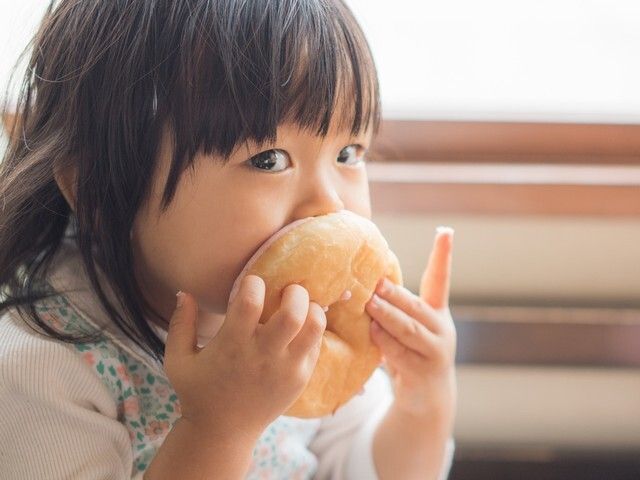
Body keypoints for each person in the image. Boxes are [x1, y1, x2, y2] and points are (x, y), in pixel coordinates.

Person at [0, 1, 456, 478]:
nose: (329, 205)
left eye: (348, 152)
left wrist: (423, 403)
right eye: (268, 160)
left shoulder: (308, 331)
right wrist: (219, 427)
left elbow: (362, 468)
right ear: (101, 192)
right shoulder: (44, 366)